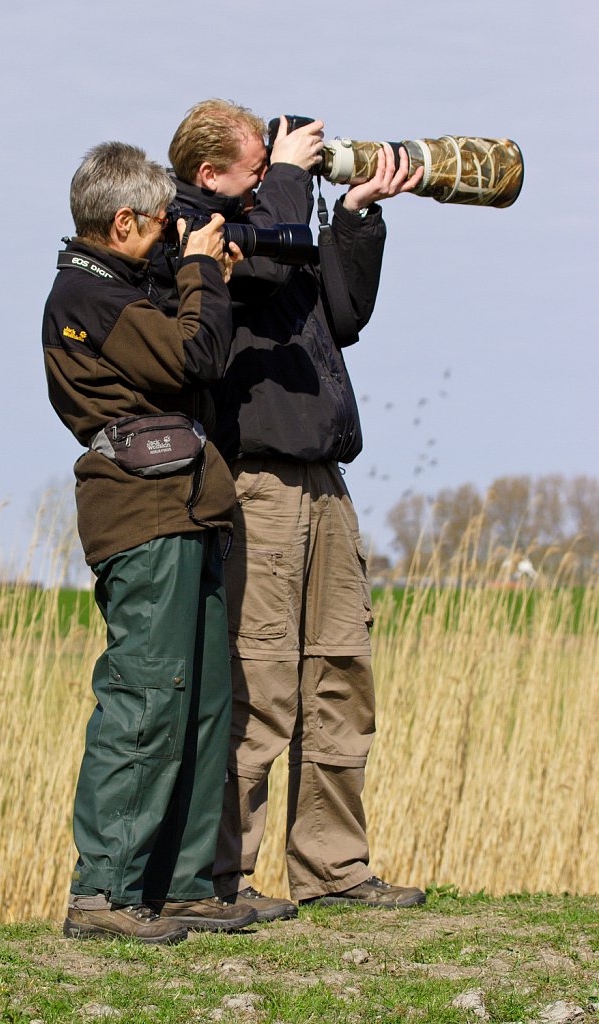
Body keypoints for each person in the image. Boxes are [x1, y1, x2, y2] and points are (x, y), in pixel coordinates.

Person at [152, 100, 427, 922]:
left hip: (323, 479)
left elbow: (342, 315)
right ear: (212, 174)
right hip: (255, 483)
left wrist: (353, 216)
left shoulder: (274, 219)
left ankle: (335, 867)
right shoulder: (193, 229)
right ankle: (221, 877)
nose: (277, 167)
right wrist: (284, 180)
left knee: (340, 672)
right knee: (261, 683)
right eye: (259, 160)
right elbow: (258, 276)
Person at [42, 141, 258, 944]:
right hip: (143, 513)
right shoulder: (87, 295)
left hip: (184, 507)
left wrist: (207, 272)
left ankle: (182, 885)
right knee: (145, 700)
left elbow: (186, 363)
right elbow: (195, 355)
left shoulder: (126, 287)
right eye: (164, 219)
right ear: (124, 219)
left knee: (199, 702)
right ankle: (103, 894)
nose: (175, 230)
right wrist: (200, 275)